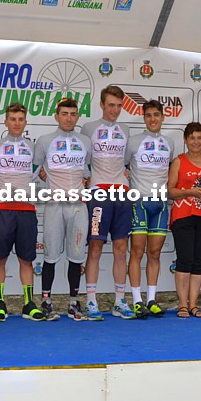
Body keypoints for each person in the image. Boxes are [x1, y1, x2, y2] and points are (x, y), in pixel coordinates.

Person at [34, 98, 92, 321]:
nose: (69, 118)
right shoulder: (45, 141)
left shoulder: (85, 141)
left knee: (76, 257)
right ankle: (46, 301)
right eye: (65, 114)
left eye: (73, 114)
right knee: (50, 256)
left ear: (77, 116)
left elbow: (87, 172)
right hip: (54, 205)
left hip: (78, 206)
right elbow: (34, 170)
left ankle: (73, 302)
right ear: (56, 116)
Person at [0, 102, 45, 321]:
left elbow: (40, 171)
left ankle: (28, 304)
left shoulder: (34, 147)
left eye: (20, 119)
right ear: (6, 121)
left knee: (26, 259)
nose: (16, 123)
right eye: (12, 119)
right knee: (0, 258)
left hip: (27, 209)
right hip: (2, 209)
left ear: (25, 122)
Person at [80, 85, 130, 321]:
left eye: (119, 106)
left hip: (122, 193)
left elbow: (128, 162)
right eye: (111, 105)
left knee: (121, 249)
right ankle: (91, 301)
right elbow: (81, 159)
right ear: (101, 104)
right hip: (99, 192)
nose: (115, 110)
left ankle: (119, 301)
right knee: (96, 247)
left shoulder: (126, 129)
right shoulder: (89, 128)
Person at [125, 99, 174, 319]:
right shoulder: (133, 142)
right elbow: (123, 166)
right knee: (137, 252)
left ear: (163, 117)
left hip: (160, 205)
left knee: (154, 253)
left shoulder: (170, 143)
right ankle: (136, 301)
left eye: (156, 115)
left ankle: (151, 299)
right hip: (139, 202)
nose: (153, 119)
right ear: (144, 118)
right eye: (148, 115)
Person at [167, 122, 201, 318]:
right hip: (183, 215)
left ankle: (194, 304)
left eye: (199, 138)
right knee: (184, 260)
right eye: (192, 138)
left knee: (198, 261)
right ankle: (182, 304)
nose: (196, 142)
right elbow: (170, 191)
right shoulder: (179, 161)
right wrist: (189, 192)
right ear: (185, 140)